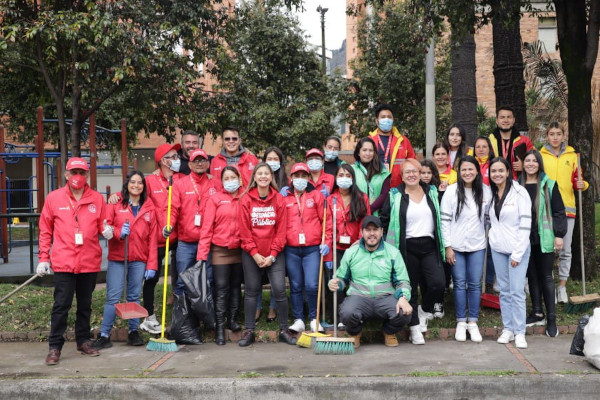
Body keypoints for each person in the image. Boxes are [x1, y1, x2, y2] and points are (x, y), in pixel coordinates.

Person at [38, 157, 106, 365]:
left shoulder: (96, 198)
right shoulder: (54, 198)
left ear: (87, 176)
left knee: (85, 305)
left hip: (88, 261)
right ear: (66, 174)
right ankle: (54, 346)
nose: (78, 176)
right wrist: (43, 258)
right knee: (61, 305)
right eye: (74, 172)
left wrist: (109, 230)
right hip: (64, 261)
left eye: (82, 173)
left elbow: (104, 224)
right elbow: (45, 230)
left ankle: (83, 340)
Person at [380, 159, 445, 345]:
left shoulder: (431, 192)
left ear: (420, 172)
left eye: (415, 171)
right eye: (407, 172)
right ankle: (415, 328)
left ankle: (424, 311)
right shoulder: (395, 195)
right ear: (402, 176)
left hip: (430, 246)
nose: (411, 175)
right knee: (410, 289)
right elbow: (384, 219)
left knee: (438, 283)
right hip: (406, 248)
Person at [93, 171, 158, 350]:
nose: (136, 186)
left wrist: (152, 264)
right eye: (133, 182)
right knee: (113, 297)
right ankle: (105, 334)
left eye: (140, 183)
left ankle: (133, 331)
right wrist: (117, 232)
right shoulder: (116, 203)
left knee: (134, 296)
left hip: (139, 259)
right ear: (127, 184)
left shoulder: (149, 206)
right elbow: (106, 225)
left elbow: (152, 239)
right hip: (118, 258)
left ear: (144, 186)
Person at [328, 216, 412, 348]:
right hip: (359, 298)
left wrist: (403, 297)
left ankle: (388, 332)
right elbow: (342, 278)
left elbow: (402, 281)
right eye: (368, 230)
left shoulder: (393, 253)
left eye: (375, 230)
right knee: (347, 313)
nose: (372, 233)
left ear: (381, 231)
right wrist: (336, 283)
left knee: (404, 313)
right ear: (362, 232)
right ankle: (355, 333)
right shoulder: (351, 252)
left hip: (386, 298)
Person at [237, 162, 297, 346]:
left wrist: (272, 254)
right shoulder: (245, 199)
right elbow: (244, 231)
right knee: (251, 291)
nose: (263, 176)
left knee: (279, 289)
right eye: (260, 173)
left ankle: (284, 329)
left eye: (266, 174)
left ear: (271, 177)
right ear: (254, 177)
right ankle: (249, 331)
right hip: (251, 253)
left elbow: (282, 230)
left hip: (275, 253)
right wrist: (255, 253)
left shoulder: (279, 199)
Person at [441, 156, 492, 342]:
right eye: (464, 170)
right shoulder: (452, 191)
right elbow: (444, 221)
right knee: (459, 283)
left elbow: (490, 219)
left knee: (474, 283)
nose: (467, 173)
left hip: (477, 246)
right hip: (456, 247)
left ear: (477, 171)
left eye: (471, 169)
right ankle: (461, 322)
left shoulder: (486, 192)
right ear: (459, 172)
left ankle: (473, 322)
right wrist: (448, 246)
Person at [539, 122, 589, 303]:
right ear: (547, 136)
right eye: (551, 134)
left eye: (558, 133)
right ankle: (548, 284)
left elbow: (579, 179)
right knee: (548, 249)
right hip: (546, 208)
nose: (554, 137)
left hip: (567, 207)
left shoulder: (573, 155)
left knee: (565, 250)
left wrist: (583, 185)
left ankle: (562, 287)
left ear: (563, 135)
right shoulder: (541, 155)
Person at [520, 150, 567, 337]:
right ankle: (537, 312)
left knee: (546, 276)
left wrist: (559, 234)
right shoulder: (518, 185)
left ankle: (552, 318)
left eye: (534, 161)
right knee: (531, 275)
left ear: (539, 164)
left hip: (544, 237)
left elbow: (559, 211)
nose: (530, 163)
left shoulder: (549, 184)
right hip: (525, 238)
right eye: (527, 161)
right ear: (523, 164)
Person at [139, 143, 183, 334]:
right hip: (157, 240)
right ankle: (149, 316)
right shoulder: (149, 181)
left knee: (181, 276)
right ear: (162, 161)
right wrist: (115, 197)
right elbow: (132, 192)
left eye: (176, 156)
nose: (176, 159)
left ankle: (182, 315)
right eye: (172, 156)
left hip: (179, 237)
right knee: (152, 277)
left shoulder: (181, 180)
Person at [488, 157, 532, 349]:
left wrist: (517, 253)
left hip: (517, 249)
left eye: (500, 170)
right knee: (504, 291)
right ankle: (508, 329)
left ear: (508, 172)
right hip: (498, 248)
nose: (497, 174)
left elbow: (525, 224)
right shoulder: (490, 193)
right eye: (493, 171)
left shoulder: (519, 192)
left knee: (516, 291)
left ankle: (520, 332)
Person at [197, 166, 244, 345]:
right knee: (221, 288)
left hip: (239, 250)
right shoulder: (215, 199)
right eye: (226, 178)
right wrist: (202, 254)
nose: (230, 181)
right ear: (222, 181)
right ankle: (219, 328)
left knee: (235, 286)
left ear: (239, 179)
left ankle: (232, 320)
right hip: (220, 251)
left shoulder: (245, 197)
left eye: (233, 177)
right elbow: (207, 228)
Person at [164, 149, 220, 297]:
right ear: (189, 164)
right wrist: (168, 224)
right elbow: (173, 209)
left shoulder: (215, 183)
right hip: (186, 242)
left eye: (202, 160)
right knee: (182, 281)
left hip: (208, 242)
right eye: (196, 160)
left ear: (208, 163)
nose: (199, 163)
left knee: (208, 279)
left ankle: (207, 315)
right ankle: (184, 317)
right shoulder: (180, 184)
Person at [283, 163, 330, 333]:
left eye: (304, 176)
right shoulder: (285, 197)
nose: (300, 179)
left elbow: (327, 221)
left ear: (309, 178)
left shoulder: (316, 196)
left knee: (311, 285)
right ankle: (298, 319)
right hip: (291, 249)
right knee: (295, 285)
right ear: (292, 178)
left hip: (312, 248)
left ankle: (313, 318)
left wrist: (327, 241)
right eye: (297, 176)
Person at [325, 164, 371, 326]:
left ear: (353, 178)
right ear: (336, 178)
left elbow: (365, 222)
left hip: (356, 247)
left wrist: (361, 240)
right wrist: (328, 249)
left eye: (348, 175)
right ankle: (338, 318)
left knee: (356, 283)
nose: (344, 178)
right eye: (341, 175)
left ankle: (356, 315)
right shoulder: (331, 199)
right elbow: (328, 227)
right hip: (337, 248)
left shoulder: (361, 197)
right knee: (337, 283)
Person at [260, 146, 288, 322]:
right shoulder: (259, 181)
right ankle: (256, 309)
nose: (272, 163)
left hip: (279, 236)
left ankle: (273, 308)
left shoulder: (287, 182)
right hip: (260, 235)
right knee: (254, 281)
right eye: (269, 159)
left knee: (277, 280)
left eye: (275, 159)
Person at [368, 103, 416, 187]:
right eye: (383, 117)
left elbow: (413, 163)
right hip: (375, 188)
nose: (386, 119)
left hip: (399, 188)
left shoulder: (403, 141)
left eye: (389, 117)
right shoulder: (369, 141)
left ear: (393, 120)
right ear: (376, 121)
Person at [473, 135, 498, 294]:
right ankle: (476, 280)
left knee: (490, 249)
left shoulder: (494, 165)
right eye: (478, 147)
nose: (481, 149)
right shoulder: (471, 165)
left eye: (484, 146)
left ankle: (488, 282)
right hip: (474, 214)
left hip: (491, 213)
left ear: (489, 149)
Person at [488, 106, 533, 180]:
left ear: (513, 120)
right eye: (502, 117)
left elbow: (535, 162)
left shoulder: (525, 141)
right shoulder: (488, 142)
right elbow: (481, 164)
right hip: (494, 184)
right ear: (497, 120)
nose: (506, 120)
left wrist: (524, 166)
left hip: (517, 184)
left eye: (509, 117)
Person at [351, 137, 391, 214]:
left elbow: (384, 194)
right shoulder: (351, 170)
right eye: (364, 150)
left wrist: (370, 209)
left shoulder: (382, 171)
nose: (368, 153)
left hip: (377, 216)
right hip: (357, 214)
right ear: (358, 152)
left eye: (371, 150)